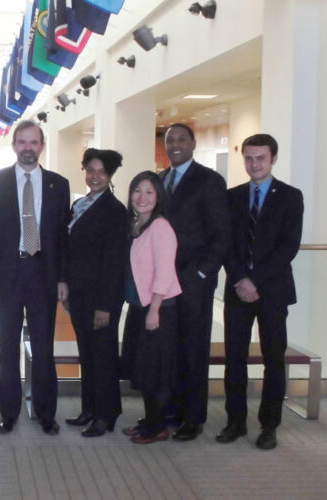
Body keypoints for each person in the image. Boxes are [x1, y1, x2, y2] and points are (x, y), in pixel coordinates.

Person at [0, 120, 70, 435]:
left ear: (42, 145)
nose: (27, 148)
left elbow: (62, 238)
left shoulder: (58, 184)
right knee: (8, 347)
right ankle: (9, 413)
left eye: (33, 142)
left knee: (44, 349)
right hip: (7, 275)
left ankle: (46, 414)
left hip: (44, 275)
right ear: (14, 145)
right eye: (22, 142)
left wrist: (62, 278)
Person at [216, 134, 303, 450]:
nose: (254, 164)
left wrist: (255, 281)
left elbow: (288, 247)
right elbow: (225, 243)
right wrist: (241, 279)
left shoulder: (290, 196)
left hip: (273, 290)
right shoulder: (232, 197)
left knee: (273, 359)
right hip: (237, 290)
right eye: (249, 158)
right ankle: (235, 421)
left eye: (261, 158)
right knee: (234, 358)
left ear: (273, 159)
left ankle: (269, 425)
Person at [160, 123, 230, 441]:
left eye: (181, 139)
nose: (175, 144)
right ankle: (172, 409)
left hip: (194, 281)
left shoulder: (210, 180)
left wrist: (202, 273)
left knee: (193, 349)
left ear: (193, 144)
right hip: (163, 282)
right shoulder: (160, 179)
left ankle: (193, 417)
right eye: (169, 140)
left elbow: (222, 234)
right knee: (169, 347)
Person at [64, 148, 126, 437]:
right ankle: (89, 409)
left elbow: (114, 263)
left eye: (102, 171)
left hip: (102, 297)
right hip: (79, 294)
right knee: (87, 354)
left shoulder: (115, 211)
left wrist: (105, 305)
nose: (95, 176)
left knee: (103, 355)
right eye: (91, 170)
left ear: (110, 175)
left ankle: (106, 414)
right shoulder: (79, 204)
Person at [121, 171, 182, 444]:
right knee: (143, 367)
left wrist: (155, 308)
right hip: (140, 305)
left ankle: (158, 427)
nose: (142, 197)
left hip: (158, 308)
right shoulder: (137, 224)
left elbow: (165, 272)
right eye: (137, 190)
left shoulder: (160, 227)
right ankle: (150, 419)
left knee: (156, 370)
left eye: (149, 192)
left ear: (158, 197)